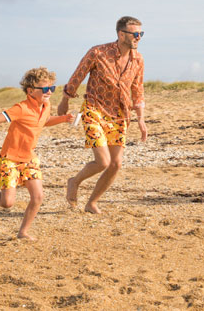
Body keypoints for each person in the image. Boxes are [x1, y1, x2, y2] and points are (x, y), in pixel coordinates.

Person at [0, 67, 74, 240]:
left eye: (52, 88)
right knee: (7, 203)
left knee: (37, 197)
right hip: (10, 160)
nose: (49, 92)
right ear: (30, 91)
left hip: (29, 159)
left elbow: (42, 122)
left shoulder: (45, 105)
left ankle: (23, 232)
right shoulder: (21, 108)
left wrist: (62, 119)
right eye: (45, 89)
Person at [58, 16, 147, 214]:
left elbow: (137, 89)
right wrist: (65, 100)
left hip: (120, 114)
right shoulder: (98, 52)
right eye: (135, 34)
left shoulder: (138, 59)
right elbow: (78, 75)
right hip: (94, 109)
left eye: (141, 34)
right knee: (103, 161)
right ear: (121, 34)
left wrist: (141, 119)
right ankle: (75, 181)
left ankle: (92, 203)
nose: (138, 37)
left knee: (115, 164)